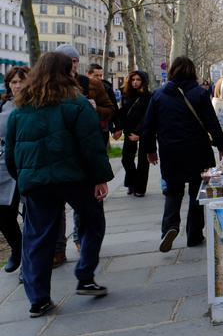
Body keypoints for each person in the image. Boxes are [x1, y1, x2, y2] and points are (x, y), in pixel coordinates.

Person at [6, 52, 113, 317]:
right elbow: (91, 145)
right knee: (92, 220)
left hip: (37, 182)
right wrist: (99, 177)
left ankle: (38, 298)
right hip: (73, 178)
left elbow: (11, 153)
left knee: (37, 236)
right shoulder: (76, 103)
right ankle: (85, 275)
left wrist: (23, 178)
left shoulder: (21, 109)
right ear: (67, 72)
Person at [142, 56, 223, 253]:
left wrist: (150, 150)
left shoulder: (158, 95)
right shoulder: (200, 93)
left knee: (173, 192)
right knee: (197, 193)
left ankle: (170, 227)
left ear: (172, 71)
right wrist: (222, 147)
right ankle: (194, 234)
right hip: (198, 151)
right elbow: (212, 123)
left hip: (170, 151)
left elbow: (148, 126)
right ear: (192, 72)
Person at [52, 45, 115, 267]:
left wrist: (95, 108)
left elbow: (110, 109)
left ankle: (80, 240)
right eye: (67, 61)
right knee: (57, 208)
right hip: (59, 156)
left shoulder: (91, 84)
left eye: (74, 61)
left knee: (86, 206)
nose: (72, 65)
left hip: (84, 153)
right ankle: (59, 250)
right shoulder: (47, 88)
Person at [0, 67, 28, 273]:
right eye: (13, 82)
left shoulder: (37, 104)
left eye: (21, 81)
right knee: (3, 214)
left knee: (31, 215)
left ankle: (29, 261)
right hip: (4, 166)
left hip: (28, 165)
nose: (17, 86)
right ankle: (17, 248)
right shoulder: (3, 105)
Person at [120, 71, 151, 197]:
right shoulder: (126, 95)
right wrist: (118, 128)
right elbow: (122, 113)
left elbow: (148, 116)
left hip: (144, 131)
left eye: (138, 79)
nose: (135, 82)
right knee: (126, 159)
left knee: (143, 161)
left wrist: (140, 134)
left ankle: (140, 188)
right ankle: (132, 182)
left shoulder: (149, 96)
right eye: (133, 79)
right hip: (129, 130)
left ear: (143, 81)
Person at [87, 63, 121, 141]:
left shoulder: (107, 87)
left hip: (103, 127)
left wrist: (117, 128)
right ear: (88, 74)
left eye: (100, 75)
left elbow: (113, 108)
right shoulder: (82, 86)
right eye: (96, 75)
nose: (99, 78)